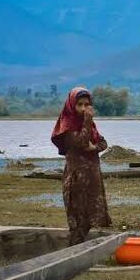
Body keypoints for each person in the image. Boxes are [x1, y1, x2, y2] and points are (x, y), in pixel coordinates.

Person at [51, 87, 111, 246]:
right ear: (72, 105)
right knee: (78, 219)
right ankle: (73, 252)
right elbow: (81, 143)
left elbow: (103, 143)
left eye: (87, 104)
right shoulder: (68, 125)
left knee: (90, 218)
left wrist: (94, 148)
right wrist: (87, 121)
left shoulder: (90, 126)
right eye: (80, 104)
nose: (84, 108)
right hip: (76, 178)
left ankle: (79, 250)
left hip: (92, 177)